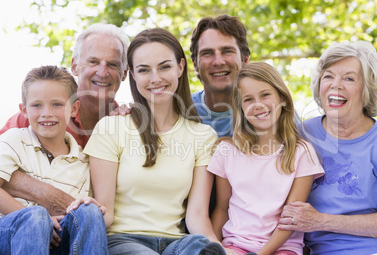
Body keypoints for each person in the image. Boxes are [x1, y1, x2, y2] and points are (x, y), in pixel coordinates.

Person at [67, 27, 226, 255]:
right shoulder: (112, 127)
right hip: (123, 241)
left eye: (165, 67)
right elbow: (107, 212)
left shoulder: (203, 135)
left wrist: (220, 248)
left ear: (180, 67)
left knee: (201, 249)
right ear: (132, 74)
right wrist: (87, 211)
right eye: (144, 70)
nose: (155, 78)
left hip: (178, 243)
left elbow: (197, 216)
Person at [278, 41, 377, 254]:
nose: (336, 85)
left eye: (349, 78)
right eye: (328, 76)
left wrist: (321, 222)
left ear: (367, 89)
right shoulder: (299, 135)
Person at [1, 23, 130, 216]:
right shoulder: (34, 117)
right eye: (93, 62)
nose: (102, 72)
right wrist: (48, 195)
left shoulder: (127, 125)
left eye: (112, 64)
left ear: (125, 73)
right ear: (75, 65)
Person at [207, 62, 324, 255]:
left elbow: (291, 219)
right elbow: (221, 207)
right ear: (241, 108)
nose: (258, 105)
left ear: (283, 99)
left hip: (282, 247)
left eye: (265, 95)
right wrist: (214, 246)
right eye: (248, 99)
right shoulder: (227, 151)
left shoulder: (302, 152)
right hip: (236, 244)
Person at [0, 65, 108, 254]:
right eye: (36, 105)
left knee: (88, 210)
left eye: (57, 104)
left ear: (74, 108)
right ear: (24, 110)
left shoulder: (83, 161)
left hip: (58, 241)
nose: (46, 112)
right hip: (10, 235)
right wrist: (41, 219)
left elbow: (76, 219)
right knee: (36, 217)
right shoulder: (14, 140)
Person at [190, 14, 250, 138]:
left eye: (227, 51)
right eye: (207, 53)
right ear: (195, 64)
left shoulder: (268, 110)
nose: (218, 62)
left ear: (245, 60)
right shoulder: (177, 112)